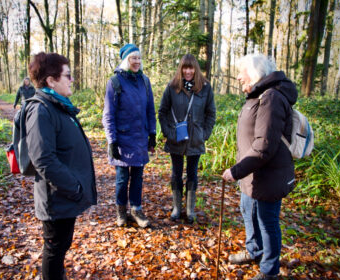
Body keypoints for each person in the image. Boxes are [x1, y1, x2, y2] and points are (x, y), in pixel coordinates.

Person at [222, 54, 297, 280]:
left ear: (254, 74)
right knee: (249, 214)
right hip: (252, 174)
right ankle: (254, 251)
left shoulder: (271, 97)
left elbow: (264, 145)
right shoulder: (257, 95)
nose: (237, 77)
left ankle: (269, 270)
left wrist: (235, 171)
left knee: (267, 222)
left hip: (268, 175)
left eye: (241, 72)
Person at [26, 52, 97, 280]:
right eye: (67, 75)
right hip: (57, 198)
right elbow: (43, 159)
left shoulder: (57, 105)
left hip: (65, 196)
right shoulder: (40, 110)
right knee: (54, 250)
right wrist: (74, 187)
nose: (72, 79)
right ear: (51, 80)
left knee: (61, 246)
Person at [102, 44, 156, 228]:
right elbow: (108, 114)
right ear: (126, 60)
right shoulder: (115, 82)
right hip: (122, 139)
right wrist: (112, 141)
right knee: (122, 178)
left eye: (139, 59)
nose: (137, 62)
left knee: (138, 177)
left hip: (140, 138)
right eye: (133, 58)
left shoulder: (145, 81)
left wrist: (152, 133)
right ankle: (121, 211)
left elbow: (150, 109)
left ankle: (136, 210)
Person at [158, 54, 216, 223]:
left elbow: (211, 113)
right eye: (185, 68)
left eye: (191, 68)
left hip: (195, 139)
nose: (188, 71)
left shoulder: (205, 88)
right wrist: (169, 132)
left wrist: (204, 134)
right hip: (176, 138)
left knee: (192, 174)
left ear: (195, 69)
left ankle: (190, 210)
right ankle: (177, 208)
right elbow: (162, 111)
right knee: (176, 173)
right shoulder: (172, 87)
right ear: (181, 69)